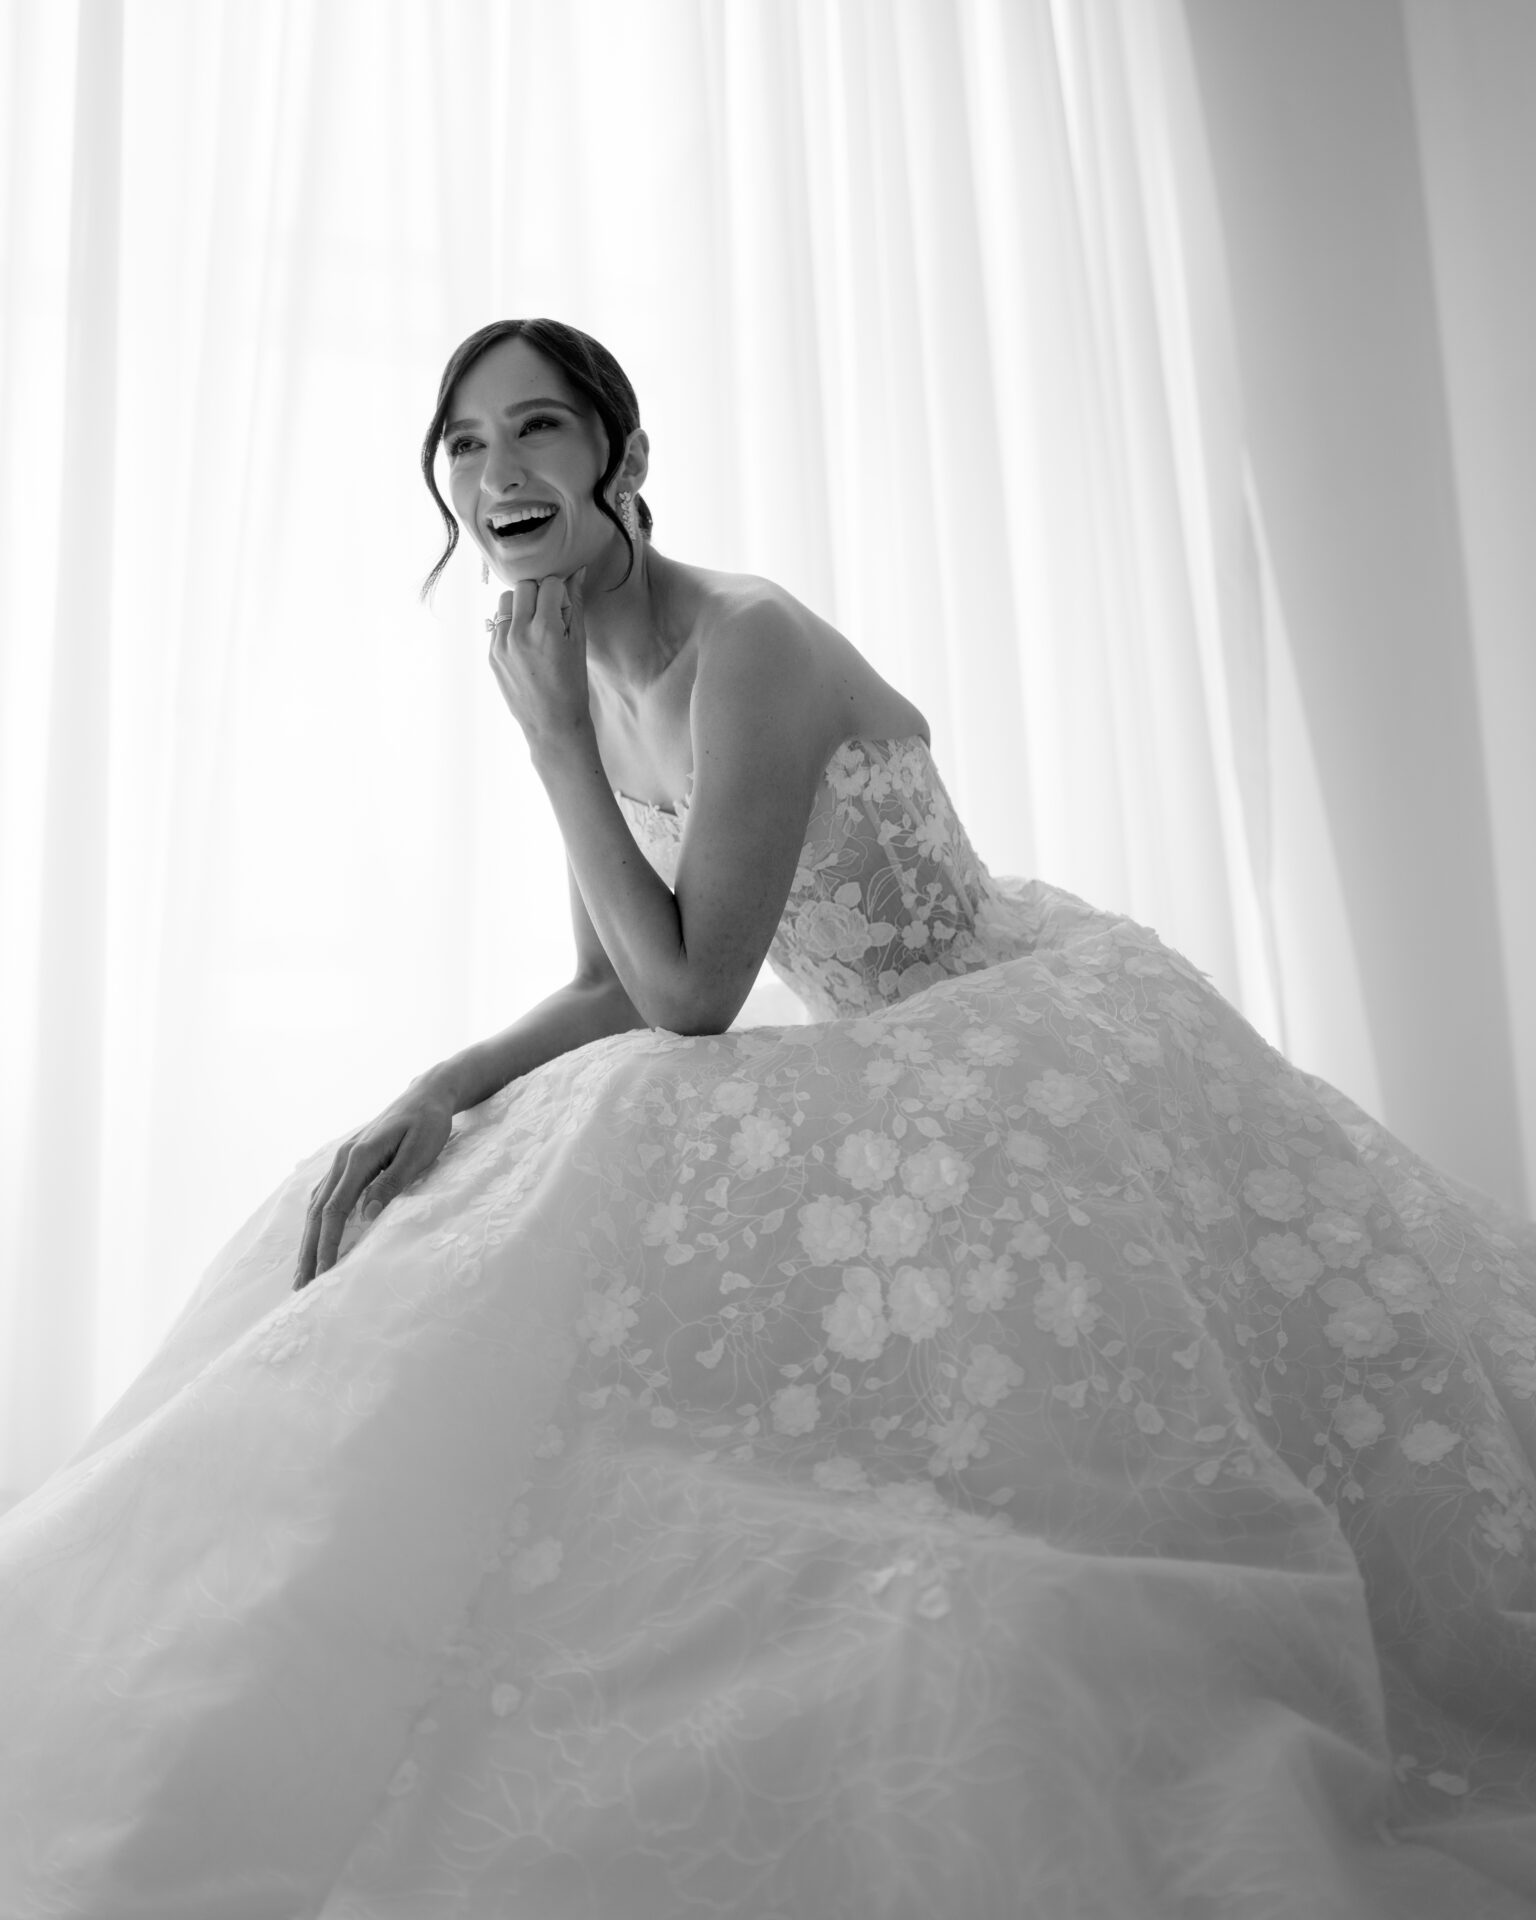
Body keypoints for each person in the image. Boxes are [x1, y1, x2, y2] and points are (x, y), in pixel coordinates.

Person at [3, 318, 1536, 1920]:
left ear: (626, 461)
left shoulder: (752, 643)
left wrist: (544, 745)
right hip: (845, 1044)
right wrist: (434, 1088)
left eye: (538, 430)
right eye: (465, 443)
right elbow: (606, 977)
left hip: (1001, 1041)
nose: (497, 470)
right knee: (483, 1190)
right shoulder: (565, 654)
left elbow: (694, 994)